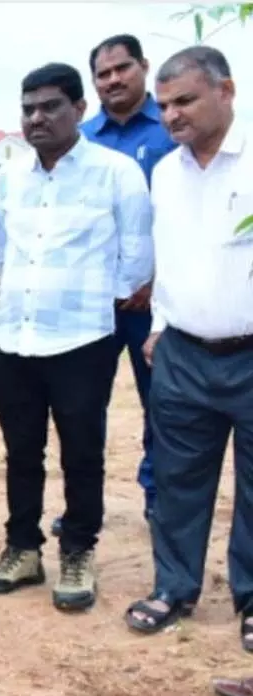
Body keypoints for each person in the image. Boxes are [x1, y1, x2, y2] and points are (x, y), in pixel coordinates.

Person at [0, 62, 153, 613]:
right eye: (28, 108)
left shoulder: (116, 173)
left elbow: (137, 257)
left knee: (82, 453)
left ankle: (78, 550)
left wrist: (95, 300)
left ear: (80, 109)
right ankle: (23, 548)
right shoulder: (6, 179)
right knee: (22, 450)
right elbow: (1, 254)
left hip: (83, 340)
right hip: (16, 337)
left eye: (50, 106)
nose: (37, 118)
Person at [124, 47, 253, 644]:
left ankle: (251, 600)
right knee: (177, 480)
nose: (171, 115)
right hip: (181, 355)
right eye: (165, 104)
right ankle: (174, 588)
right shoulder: (166, 173)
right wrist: (160, 327)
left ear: (225, 91)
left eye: (185, 101)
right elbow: (172, 257)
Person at [50, 33, 177, 535]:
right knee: (80, 411)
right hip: (93, 307)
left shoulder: (171, 129)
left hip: (158, 303)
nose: (113, 80)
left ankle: (160, 498)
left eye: (122, 68)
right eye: (102, 74)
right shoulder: (79, 140)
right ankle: (83, 505)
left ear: (144, 67)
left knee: (162, 406)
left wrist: (152, 280)